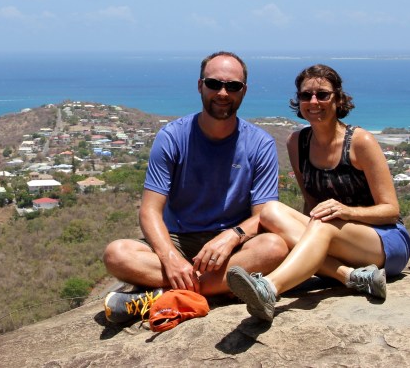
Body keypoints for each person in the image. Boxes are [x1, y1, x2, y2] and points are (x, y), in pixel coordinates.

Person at [102, 51, 289, 323]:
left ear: (244, 91)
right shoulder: (173, 137)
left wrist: (232, 236)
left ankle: (163, 294)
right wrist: (170, 258)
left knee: (274, 247)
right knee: (117, 254)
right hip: (179, 239)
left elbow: (264, 215)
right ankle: (214, 288)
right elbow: (150, 210)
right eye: (214, 84)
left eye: (232, 86)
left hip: (232, 248)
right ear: (200, 85)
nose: (223, 93)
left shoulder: (260, 144)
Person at [227, 64, 410, 322]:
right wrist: (301, 242)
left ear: (338, 99)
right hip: (333, 237)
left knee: (323, 223)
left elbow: (391, 211)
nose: (314, 102)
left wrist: (346, 212)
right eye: (306, 95)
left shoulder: (360, 142)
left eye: (322, 94)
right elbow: (311, 203)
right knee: (270, 211)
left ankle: (269, 288)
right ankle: (351, 276)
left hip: (383, 240)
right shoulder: (297, 143)